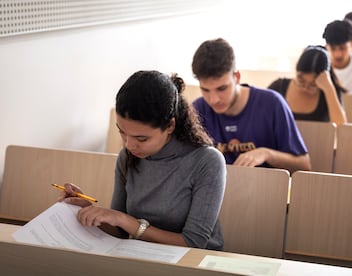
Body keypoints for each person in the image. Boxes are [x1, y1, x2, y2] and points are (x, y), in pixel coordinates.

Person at [58, 70, 227, 250]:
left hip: (193, 263)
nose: (129, 145)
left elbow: (193, 243)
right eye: (122, 132)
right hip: (142, 257)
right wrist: (87, 209)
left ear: (170, 126)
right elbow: (120, 232)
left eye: (141, 139)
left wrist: (126, 221)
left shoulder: (206, 161)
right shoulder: (127, 158)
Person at [191, 38, 311, 173]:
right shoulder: (197, 111)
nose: (213, 100)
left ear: (236, 77)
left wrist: (267, 154)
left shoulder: (272, 104)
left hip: (267, 191)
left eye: (222, 88)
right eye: (205, 90)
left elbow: (303, 165)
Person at [268, 45, 347, 125]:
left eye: (312, 85)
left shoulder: (327, 92)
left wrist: (329, 89)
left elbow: (341, 128)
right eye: (301, 81)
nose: (305, 88)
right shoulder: (279, 86)